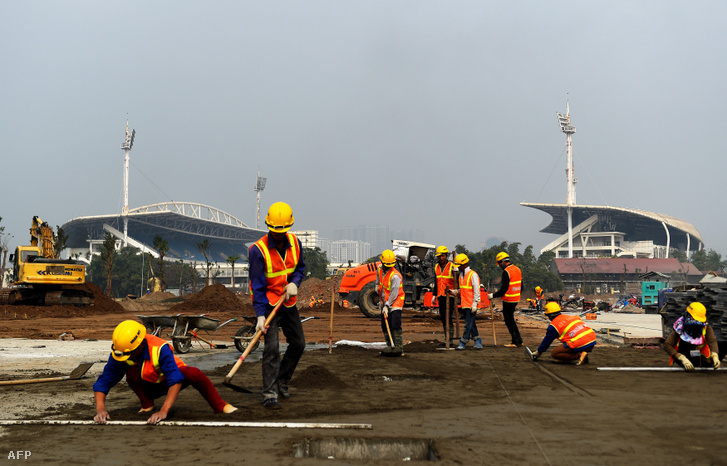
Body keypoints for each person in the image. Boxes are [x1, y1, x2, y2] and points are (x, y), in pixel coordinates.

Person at [93, 320, 236, 425]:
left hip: (169, 382)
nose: (126, 356)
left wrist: (164, 410)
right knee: (131, 371)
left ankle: (221, 405)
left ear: (141, 344)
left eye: (129, 353)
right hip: (148, 384)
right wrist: (100, 409)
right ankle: (147, 405)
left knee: (194, 373)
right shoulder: (121, 351)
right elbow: (104, 381)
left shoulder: (160, 348)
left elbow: (175, 378)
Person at [249, 201, 306, 409]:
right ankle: (270, 393)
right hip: (268, 306)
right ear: (269, 226)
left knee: (299, 343)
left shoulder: (295, 243)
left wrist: (294, 282)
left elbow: (300, 268)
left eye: (283, 230)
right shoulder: (257, 250)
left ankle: (282, 380)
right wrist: (260, 315)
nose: (279, 234)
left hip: (288, 303)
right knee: (271, 349)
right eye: (275, 231)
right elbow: (257, 285)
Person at [531, 302, 596, 365]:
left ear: (549, 316)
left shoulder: (553, 326)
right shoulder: (569, 316)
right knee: (568, 342)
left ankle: (579, 356)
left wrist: (538, 352)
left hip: (581, 342)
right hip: (591, 339)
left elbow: (547, 341)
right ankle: (583, 354)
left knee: (555, 353)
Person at [663, 302, 721, 371]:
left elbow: (712, 340)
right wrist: (681, 357)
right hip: (684, 353)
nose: (698, 322)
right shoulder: (679, 326)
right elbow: (667, 345)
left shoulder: (705, 326)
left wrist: (715, 355)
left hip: (701, 356)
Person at [488, 252, 523, 348]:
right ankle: (518, 339)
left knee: (509, 321)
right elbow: (521, 285)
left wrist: (493, 295)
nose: (499, 265)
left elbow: (504, 288)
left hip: (508, 300)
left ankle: (515, 341)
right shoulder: (517, 269)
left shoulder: (506, 272)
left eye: (499, 263)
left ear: (503, 262)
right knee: (511, 320)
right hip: (515, 299)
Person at [449, 253, 482, 350]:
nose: (457, 268)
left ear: (463, 265)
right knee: (471, 324)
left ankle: (463, 342)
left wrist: (475, 304)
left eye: (458, 266)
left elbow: (476, 290)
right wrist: (454, 292)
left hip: (471, 305)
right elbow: (463, 290)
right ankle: (478, 341)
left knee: (468, 325)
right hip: (465, 304)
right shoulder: (461, 276)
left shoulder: (473, 275)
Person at [377, 249, 405, 355]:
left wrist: (388, 305)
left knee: (395, 324)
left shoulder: (396, 276)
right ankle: (389, 347)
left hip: (396, 302)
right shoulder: (379, 269)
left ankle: (399, 348)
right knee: (385, 325)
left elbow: (394, 293)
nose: (387, 267)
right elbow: (378, 281)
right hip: (385, 302)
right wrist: (376, 288)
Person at [432, 245, 456, 345]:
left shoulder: (452, 266)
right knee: (443, 318)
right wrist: (434, 295)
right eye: (439, 256)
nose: (441, 258)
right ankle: (446, 338)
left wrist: (456, 291)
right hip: (441, 296)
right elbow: (436, 281)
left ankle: (450, 340)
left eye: (443, 256)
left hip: (449, 296)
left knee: (448, 317)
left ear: (446, 256)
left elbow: (456, 280)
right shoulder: (436, 266)